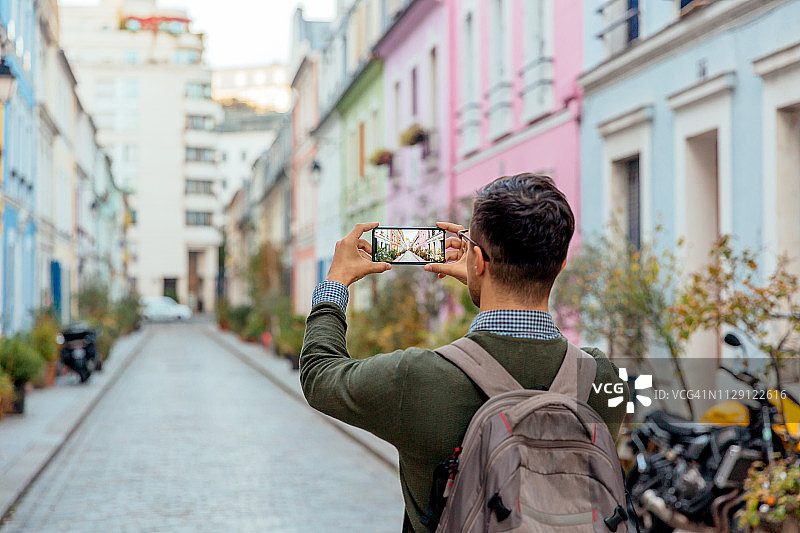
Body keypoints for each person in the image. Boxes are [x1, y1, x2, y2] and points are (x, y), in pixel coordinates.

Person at [300, 173, 629, 532]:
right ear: (561, 264)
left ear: (479, 260)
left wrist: (334, 283)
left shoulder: (417, 379)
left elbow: (319, 376)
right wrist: (482, 280)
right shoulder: (601, 378)